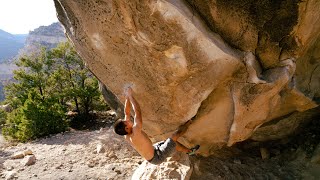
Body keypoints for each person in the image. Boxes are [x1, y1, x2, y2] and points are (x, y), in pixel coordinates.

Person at [113, 87, 199, 165]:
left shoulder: (126, 134)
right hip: (157, 157)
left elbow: (127, 112)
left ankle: (190, 151)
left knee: (172, 143)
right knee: (174, 136)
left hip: (154, 150)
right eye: (126, 122)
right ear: (127, 128)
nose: (127, 120)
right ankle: (190, 121)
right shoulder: (135, 132)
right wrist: (131, 96)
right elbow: (137, 112)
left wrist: (127, 97)